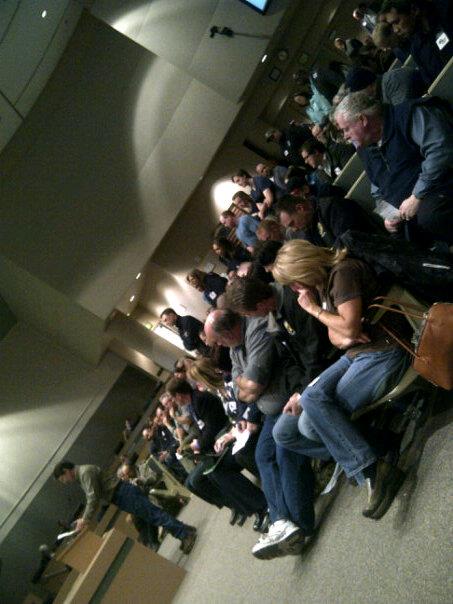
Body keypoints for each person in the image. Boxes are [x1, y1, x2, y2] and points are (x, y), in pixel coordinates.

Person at [271, 240, 410, 520]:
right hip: (356, 354)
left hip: (384, 350)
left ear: (304, 268)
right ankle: (374, 464)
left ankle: (371, 469)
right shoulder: (324, 285)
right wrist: (344, 331)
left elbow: (347, 327)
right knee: (308, 410)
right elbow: (335, 336)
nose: (295, 290)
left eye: (294, 282)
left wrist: (316, 311)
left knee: (311, 422)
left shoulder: (343, 274)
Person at [204, 309, 315, 560]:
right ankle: (281, 522)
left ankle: (299, 526)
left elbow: (253, 385)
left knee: (285, 451)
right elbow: (241, 391)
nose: (219, 346)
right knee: (263, 455)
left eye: (218, 340)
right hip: (269, 412)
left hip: (290, 398)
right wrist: (249, 386)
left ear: (228, 332)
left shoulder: (256, 330)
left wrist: (250, 386)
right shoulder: (235, 349)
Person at [334, 91, 453, 250]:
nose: (345, 136)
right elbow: (377, 190)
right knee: (396, 248)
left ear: (362, 120)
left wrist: (417, 196)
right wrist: (388, 216)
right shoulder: (364, 150)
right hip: (406, 211)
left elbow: (440, 152)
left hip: (438, 188)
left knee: (431, 216)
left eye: (346, 129)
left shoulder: (407, 115)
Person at [166, 378, 268, 526]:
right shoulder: (194, 403)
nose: (174, 402)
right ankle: (249, 507)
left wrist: (199, 444)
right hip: (223, 438)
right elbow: (204, 429)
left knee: (215, 472)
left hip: (229, 435)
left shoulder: (200, 399)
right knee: (202, 477)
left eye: (172, 398)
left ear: (179, 395)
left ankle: (261, 506)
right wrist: (197, 447)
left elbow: (213, 426)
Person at [53, 461, 197, 554]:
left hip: (123, 493)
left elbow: (93, 497)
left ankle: (185, 534)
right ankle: (186, 530)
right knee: (152, 516)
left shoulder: (85, 473)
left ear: (66, 471)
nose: (65, 482)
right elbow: (93, 497)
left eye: (63, 479)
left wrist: (84, 520)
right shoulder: (82, 475)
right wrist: (84, 518)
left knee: (155, 515)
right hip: (122, 495)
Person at [381, 0, 453, 86]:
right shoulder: (416, 49)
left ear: (414, 10)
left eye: (397, 22)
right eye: (392, 25)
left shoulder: (446, 14)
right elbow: (432, 84)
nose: (395, 30)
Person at [275, 193, 378, 247]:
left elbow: (349, 242)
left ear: (300, 208)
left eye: (292, 223)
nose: (294, 229)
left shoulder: (334, 207)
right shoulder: (308, 229)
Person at [345, 65, 425, 105]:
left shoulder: (393, 82)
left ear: (368, 86)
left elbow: (406, 115)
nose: (360, 98)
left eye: (359, 94)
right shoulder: (382, 89)